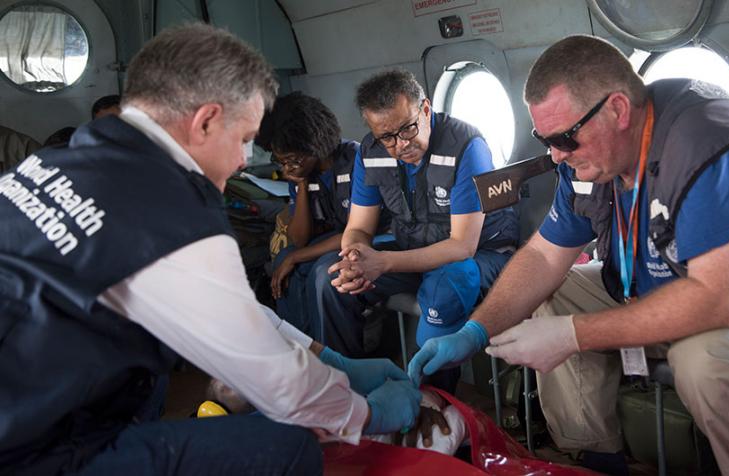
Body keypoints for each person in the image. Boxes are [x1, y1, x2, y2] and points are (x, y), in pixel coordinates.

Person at [408, 35, 729, 474]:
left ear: (618, 109)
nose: (558, 156)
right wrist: (475, 331)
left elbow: (721, 299)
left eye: (565, 138)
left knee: (706, 361)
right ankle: (596, 459)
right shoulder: (587, 163)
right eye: (546, 140)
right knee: (555, 292)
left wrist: (572, 336)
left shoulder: (706, 141)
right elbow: (544, 257)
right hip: (675, 289)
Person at [0, 24, 421, 475]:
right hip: (30, 450)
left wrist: (329, 360)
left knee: (148, 375)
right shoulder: (175, 213)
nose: (243, 160)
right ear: (204, 121)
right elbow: (279, 385)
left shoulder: (48, 165)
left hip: (23, 399)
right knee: (287, 448)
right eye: (242, 138)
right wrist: (367, 414)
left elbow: (227, 310)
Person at [314, 69, 519, 393]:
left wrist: (382, 263)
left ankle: (433, 404)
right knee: (330, 279)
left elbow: (461, 246)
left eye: (408, 128)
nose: (401, 144)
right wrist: (356, 257)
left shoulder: (466, 145)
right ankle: (347, 392)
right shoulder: (370, 153)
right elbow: (357, 227)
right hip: (415, 249)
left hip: (481, 255)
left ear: (425, 110)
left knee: (447, 285)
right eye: (388, 137)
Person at [264, 92, 384, 341]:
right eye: (281, 161)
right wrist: (301, 186)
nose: (288, 167)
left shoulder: (355, 160)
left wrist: (297, 256)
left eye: (293, 159)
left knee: (322, 271)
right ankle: (298, 347)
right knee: (284, 259)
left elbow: (356, 232)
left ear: (314, 146)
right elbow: (298, 239)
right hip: (333, 240)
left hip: (371, 239)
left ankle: (329, 357)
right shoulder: (302, 173)